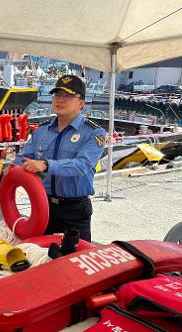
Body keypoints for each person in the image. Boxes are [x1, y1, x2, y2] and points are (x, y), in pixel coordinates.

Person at [12, 75, 105, 242]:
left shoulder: (94, 133)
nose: (59, 100)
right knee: (40, 256)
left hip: (74, 211)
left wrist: (46, 165)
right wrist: (10, 169)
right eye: (57, 95)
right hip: (43, 206)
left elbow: (82, 165)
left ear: (81, 103)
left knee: (75, 262)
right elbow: (24, 158)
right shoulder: (42, 129)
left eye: (67, 95)